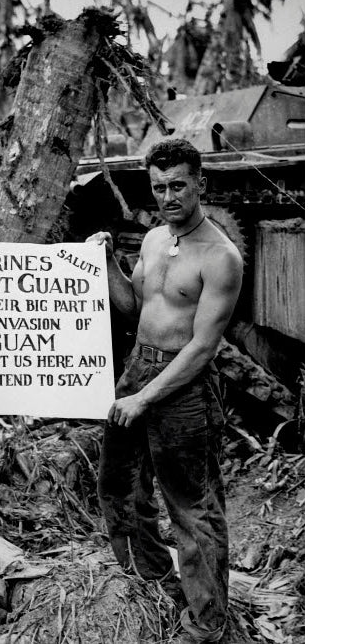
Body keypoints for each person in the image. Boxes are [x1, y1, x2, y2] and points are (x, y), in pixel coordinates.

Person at [87, 138, 243, 644]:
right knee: (118, 485)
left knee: (191, 507)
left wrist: (145, 397)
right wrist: (105, 262)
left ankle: (206, 625)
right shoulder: (154, 239)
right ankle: (153, 584)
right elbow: (133, 308)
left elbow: (201, 348)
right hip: (137, 369)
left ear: (201, 182)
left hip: (183, 386)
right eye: (159, 187)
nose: (168, 195)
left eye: (178, 185)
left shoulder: (221, 256)